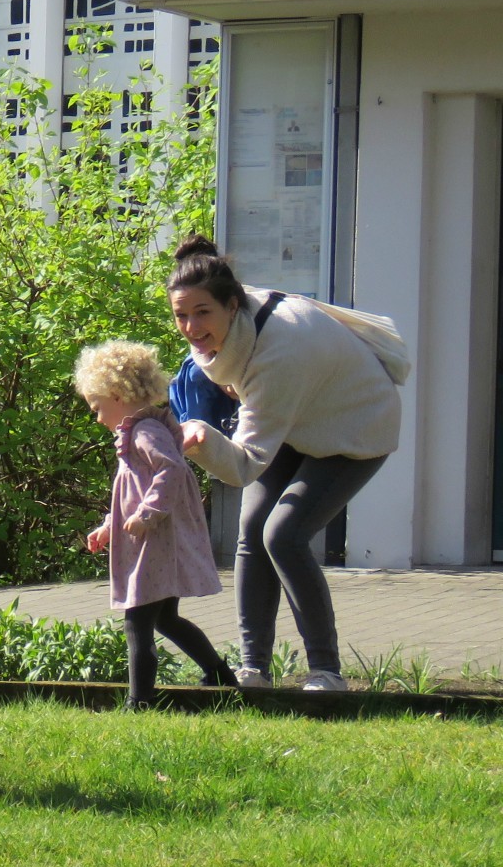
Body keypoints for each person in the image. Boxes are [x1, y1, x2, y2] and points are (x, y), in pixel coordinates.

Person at [169, 235, 402, 692]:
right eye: (181, 315)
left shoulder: (278, 354)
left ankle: (326, 672)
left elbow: (243, 467)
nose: (192, 327)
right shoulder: (234, 311)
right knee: (251, 529)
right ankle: (252, 669)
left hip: (355, 428)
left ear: (232, 306)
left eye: (202, 314)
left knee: (284, 535)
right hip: (298, 419)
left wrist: (201, 440)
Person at [74, 341, 234, 707]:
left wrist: (148, 514)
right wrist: (110, 524)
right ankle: (220, 676)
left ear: (117, 394)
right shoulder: (138, 433)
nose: (97, 418)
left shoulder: (146, 433)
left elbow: (171, 470)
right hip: (154, 542)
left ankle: (140, 700)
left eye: (97, 408)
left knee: (137, 619)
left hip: (156, 544)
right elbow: (132, 491)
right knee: (165, 619)